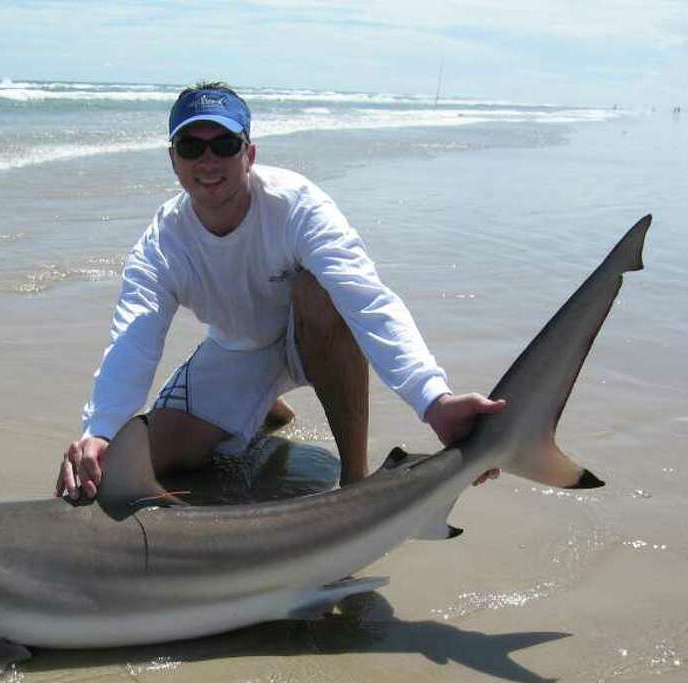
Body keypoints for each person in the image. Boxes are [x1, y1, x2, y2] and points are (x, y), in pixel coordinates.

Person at [55, 82, 502, 501]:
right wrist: (100, 430)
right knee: (133, 467)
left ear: (248, 154)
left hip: (312, 339)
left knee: (323, 291)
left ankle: (353, 481)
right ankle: (263, 405)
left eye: (224, 145)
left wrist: (433, 400)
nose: (208, 162)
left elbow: (368, 303)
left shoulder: (298, 207)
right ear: (173, 159)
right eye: (192, 147)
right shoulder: (162, 244)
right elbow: (132, 342)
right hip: (239, 352)